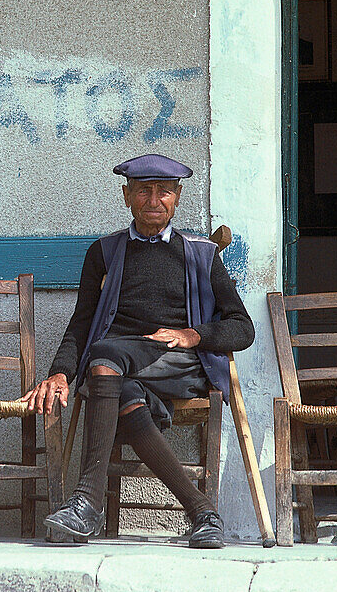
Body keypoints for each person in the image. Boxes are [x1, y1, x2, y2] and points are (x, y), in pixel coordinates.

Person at [25, 154, 254, 549]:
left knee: (103, 358)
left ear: (177, 197)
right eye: (143, 191)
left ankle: (86, 502)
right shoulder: (105, 252)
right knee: (117, 384)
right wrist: (61, 372)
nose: (153, 200)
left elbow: (242, 327)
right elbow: (81, 322)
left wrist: (193, 334)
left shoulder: (200, 253)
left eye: (163, 192)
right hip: (117, 370)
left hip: (178, 364)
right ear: (126, 196)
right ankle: (203, 513)